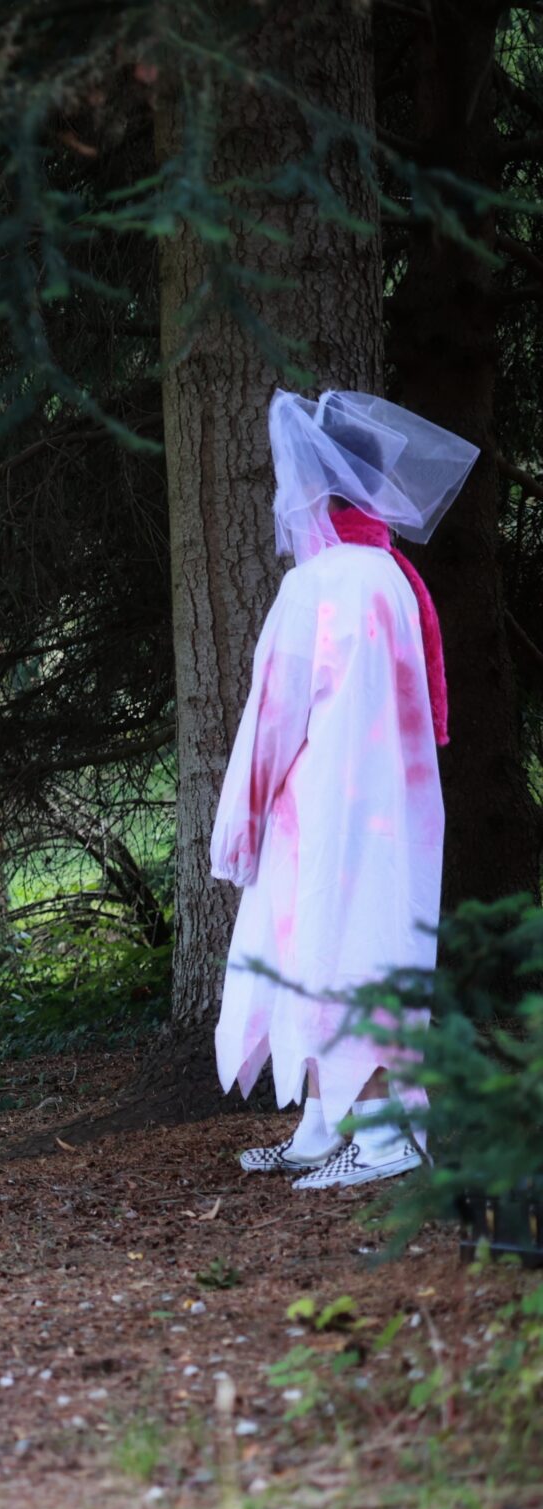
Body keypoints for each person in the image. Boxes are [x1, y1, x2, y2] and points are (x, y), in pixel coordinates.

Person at [216, 390, 476, 1190]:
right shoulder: (394, 578)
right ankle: (326, 1122)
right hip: (396, 810)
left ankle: (382, 1133)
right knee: (370, 950)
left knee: (329, 954)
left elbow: (272, 718)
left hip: (327, 810)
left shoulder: (317, 585)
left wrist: (238, 828)